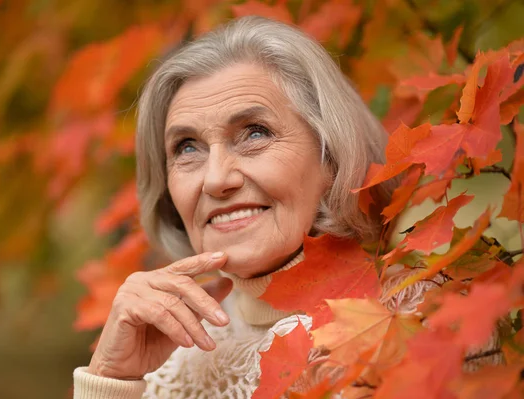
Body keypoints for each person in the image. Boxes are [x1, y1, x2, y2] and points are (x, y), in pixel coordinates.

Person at [73, 15, 425, 398]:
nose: (216, 179)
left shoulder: (429, 324)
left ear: (332, 156)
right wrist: (111, 381)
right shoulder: (165, 369)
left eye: (255, 133)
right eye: (187, 147)